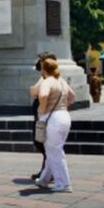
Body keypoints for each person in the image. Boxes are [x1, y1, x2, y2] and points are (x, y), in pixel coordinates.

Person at [32, 59, 75, 192]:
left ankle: (64, 184)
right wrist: (63, 106)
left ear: (44, 69)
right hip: (64, 116)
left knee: (54, 151)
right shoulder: (61, 81)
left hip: (53, 118)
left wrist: (42, 109)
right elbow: (72, 96)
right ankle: (44, 179)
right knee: (52, 150)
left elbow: (43, 95)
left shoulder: (47, 81)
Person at [30, 51, 57, 180]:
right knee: (42, 143)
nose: (38, 64)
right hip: (43, 115)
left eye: (40, 61)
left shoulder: (47, 78)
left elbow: (35, 91)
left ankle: (49, 172)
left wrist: (41, 111)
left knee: (41, 143)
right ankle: (46, 171)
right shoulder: (46, 77)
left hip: (44, 116)